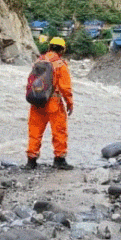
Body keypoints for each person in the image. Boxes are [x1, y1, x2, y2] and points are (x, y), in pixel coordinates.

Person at [26, 37, 74, 170]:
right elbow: (65, 88)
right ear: (62, 50)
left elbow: (31, 82)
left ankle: (31, 161)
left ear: (49, 47)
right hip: (54, 102)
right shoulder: (60, 64)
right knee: (59, 131)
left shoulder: (38, 61)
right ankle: (59, 160)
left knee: (34, 131)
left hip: (37, 101)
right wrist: (69, 103)